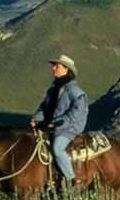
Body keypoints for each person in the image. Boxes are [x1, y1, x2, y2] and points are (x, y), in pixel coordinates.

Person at [30, 54, 88, 191]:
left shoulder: (75, 91)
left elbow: (77, 112)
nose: (53, 69)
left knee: (57, 148)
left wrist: (56, 123)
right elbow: (44, 107)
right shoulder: (53, 89)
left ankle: (70, 180)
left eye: (57, 66)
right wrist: (36, 119)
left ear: (66, 70)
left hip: (68, 128)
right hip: (52, 125)